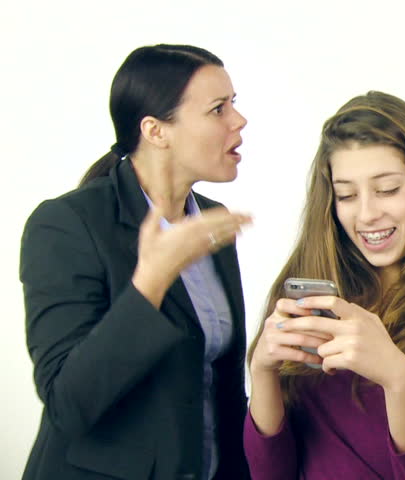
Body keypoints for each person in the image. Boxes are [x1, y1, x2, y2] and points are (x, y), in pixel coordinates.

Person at [20, 44, 253, 480]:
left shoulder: (212, 222)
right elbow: (68, 405)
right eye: (218, 109)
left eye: (234, 105)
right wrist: (152, 282)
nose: (238, 121)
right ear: (155, 130)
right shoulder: (66, 224)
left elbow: (217, 388)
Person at [244, 90, 405, 479]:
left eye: (387, 190)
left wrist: (396, 376)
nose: (366, 214)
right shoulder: (305, 284)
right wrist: (262, 370)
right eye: (346, 194)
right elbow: (270, 474)